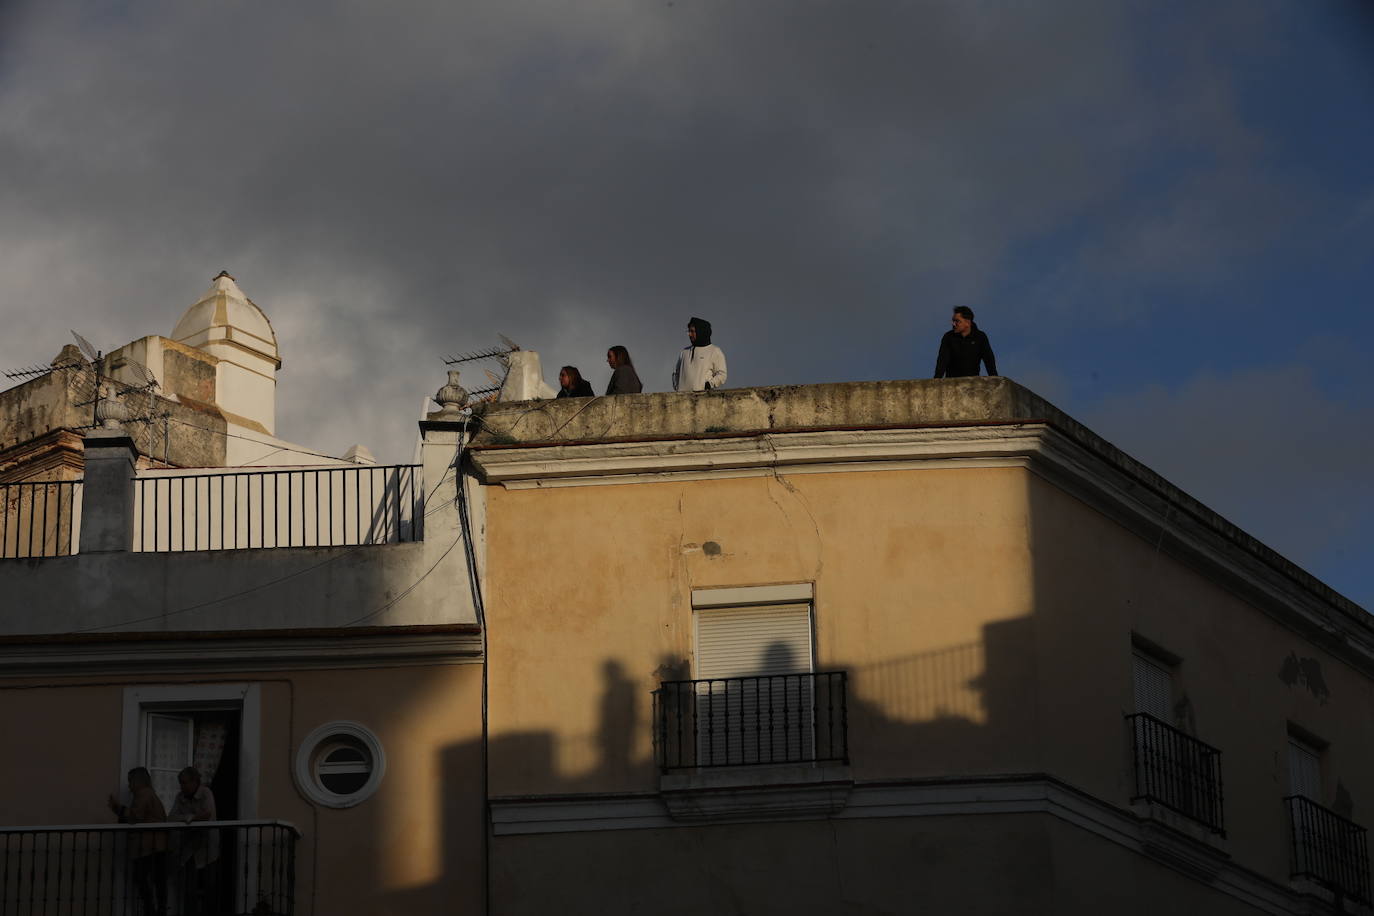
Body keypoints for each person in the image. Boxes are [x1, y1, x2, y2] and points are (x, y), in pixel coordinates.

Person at [107, 767, 168, 916]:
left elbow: (135, 817)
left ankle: (152, 910)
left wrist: (118, 808)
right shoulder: (147, 794)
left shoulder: (144, 794)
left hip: (149, 847)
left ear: (138, 781)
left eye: (130, 781)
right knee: (152, 880)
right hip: (153, 846)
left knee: (143, 879)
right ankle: (156, 909)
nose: (129, 786)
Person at [168, 767, 218, 915]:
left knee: (210, 887)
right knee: (190, 889)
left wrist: (191, 818)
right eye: (180, 783)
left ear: (195, 781)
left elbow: (207, 814)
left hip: (208, 847)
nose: (182, 787)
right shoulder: (180, 797)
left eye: (184, 783)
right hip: (189, 848)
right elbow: (171, 818)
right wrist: (188, 818)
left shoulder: (206, 793)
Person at [933, 306, 998, 378]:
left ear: (967, 322)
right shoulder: (948, 337)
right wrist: (936, 380)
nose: (953, 324)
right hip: (952, 381)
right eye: (953, 321)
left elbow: (989, 360)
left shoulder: (980, 337)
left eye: (957, 321)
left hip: (972, 381)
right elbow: (942, 361)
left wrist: (995, 379)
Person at [672, 317, 727, 392]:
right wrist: (677, 387)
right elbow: (676, 372)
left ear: (701, 332)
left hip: (702, 397)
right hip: (682, 397)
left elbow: (722, 374)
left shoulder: (714, 351)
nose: (689, 334)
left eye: (692, 331)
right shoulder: (684, 352)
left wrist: (709, 384)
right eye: (689, 331)